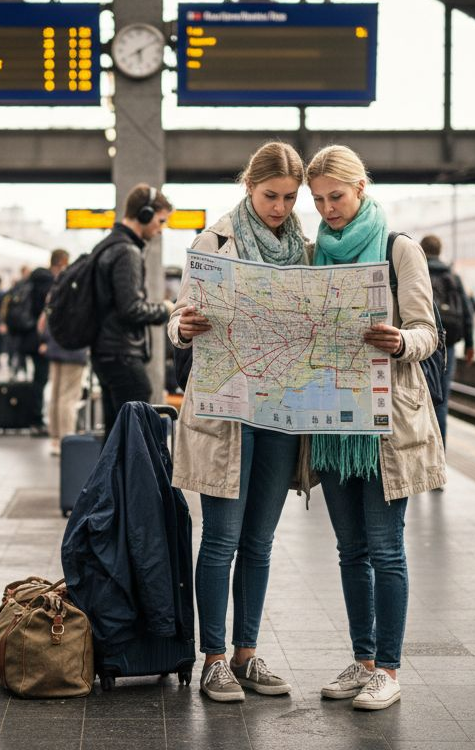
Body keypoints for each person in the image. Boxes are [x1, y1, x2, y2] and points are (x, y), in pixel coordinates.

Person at [169, 142, 312, 703]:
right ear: (248, 187)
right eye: (270, 195)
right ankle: (215, 659)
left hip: (280, 409)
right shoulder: (213, 242)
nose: (279, 207)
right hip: (227, 410)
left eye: (288, 197)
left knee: (260, 539)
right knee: (222, 538)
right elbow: (178, 324)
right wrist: (186, 326)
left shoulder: (305, 247)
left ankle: (248, 654)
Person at [304, 145, 445, 711]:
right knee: (349, 550)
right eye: (317, 200)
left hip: (385, 425)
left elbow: (427, 331)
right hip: (331, 418)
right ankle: (362, 661)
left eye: (336, 196)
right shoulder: (314, 253)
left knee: (385, 549)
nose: (328, 208)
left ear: (361, 187)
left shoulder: (398, 248)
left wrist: (401, 341)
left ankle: (388, 668)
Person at [90, 184, 172, 430]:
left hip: (105, 351)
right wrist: (165, 309)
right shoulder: (127, 252)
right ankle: (126, 471)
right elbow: (131, 308)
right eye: (160, 220)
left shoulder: (106, 245)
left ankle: (113, 470)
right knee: (133, 434)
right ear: (145, 214)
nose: (160, 229)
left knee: (116, 433)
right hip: (122, 353)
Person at [419, 233, 474, 460]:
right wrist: (470, 344)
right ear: (440, 251)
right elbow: (467, 312)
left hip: (421, 346)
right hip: (447, 346)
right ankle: (438, 459)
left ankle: (420, 456)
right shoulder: (453, 276)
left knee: (418, 400)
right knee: (441, 402)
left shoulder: (417, 272)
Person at [40, 250, 87, 454]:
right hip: (73, 348)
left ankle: (55, 437)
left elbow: (44, 321)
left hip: (55, 345)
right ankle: (66, 438)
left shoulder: (57, 286)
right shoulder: (77, 287)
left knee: (56, 394)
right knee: (69, 396)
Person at [19, 255, 58, 430]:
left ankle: (32, 416)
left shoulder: (28, 283)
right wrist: (45, 340)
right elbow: (46, 317)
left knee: (37, 378)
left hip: (26, 337)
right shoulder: (48, 286)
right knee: (40, 379)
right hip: (40, 340)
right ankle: (35, 418)